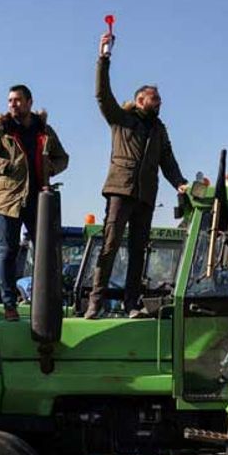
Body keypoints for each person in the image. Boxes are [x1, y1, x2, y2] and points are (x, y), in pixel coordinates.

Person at [86, 32, 188, 319]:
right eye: (155, 99)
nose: (159, 103)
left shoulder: (159, 130)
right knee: (109, 244)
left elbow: (167, 160)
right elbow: (101, 94)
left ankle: (131, 304)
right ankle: (96, 301)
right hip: (120, 190)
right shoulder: (122, 120)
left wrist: (179, 183)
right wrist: (103, 58)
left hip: (146, 195)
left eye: (160, 100)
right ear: (140, 100)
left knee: (138, 251)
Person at [0, 85, 69, 321]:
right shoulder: (1, 130)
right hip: (9, 200)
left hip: (39, 199)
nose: (12, 104)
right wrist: (3, 165)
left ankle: (42, 299)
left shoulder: (44, 130)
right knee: (7, 251)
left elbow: (63, 157)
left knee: (44, 251)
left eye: (17, 100)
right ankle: (9, 304)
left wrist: (51, 169)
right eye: (9, 101)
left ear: (29, 102)